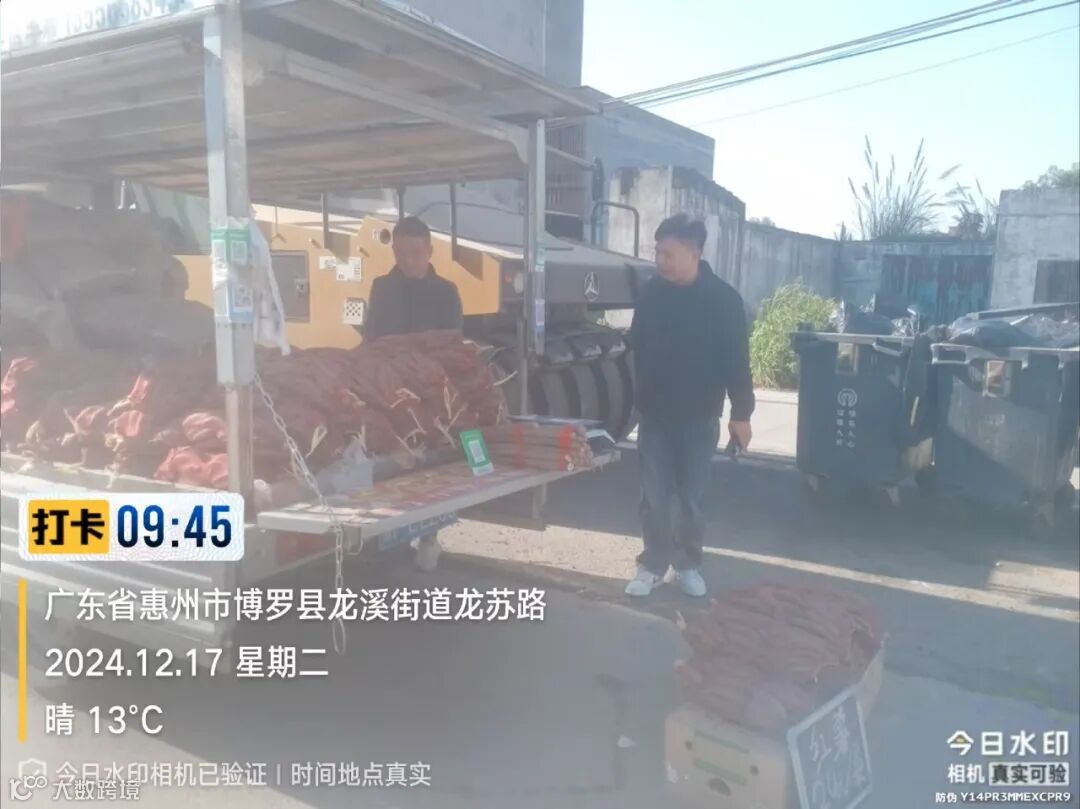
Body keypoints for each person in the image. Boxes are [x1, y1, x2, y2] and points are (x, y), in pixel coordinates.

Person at [625, 214, 755, 598]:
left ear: (693, 254)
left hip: (700, 417)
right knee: (653, 498)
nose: (659, 261)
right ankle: (652, 565)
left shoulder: (723, 301)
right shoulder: (652, 294)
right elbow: (637, 345)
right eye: (657, 252)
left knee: (690, 501)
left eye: (668, 254)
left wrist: (742, 414)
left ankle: (687, 564)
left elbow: (737, 362)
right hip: (656, 416)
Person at [364, 216, 464, 570]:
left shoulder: (446, 292)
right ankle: (388, 531)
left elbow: (452, 344)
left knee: (431, 466)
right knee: (393, 463)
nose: (408, 261)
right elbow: (371, 338)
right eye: (401, 253)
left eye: (416, 253)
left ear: (430, 251)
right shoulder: (381, 287)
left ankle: (429, 535)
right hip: (388, 392)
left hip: (431, 394)